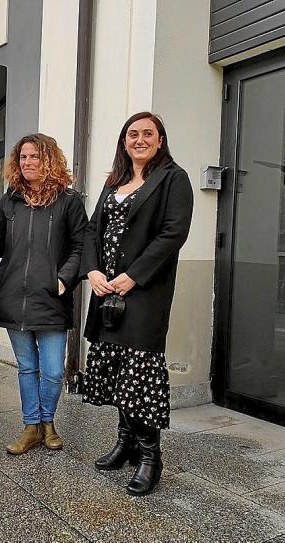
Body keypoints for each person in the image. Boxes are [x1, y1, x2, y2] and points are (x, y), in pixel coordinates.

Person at [81, 112, 193, 495]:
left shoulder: (173, 179)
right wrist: (92, 270)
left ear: (160, 141)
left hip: (143, 293)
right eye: (133, 134)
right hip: (106, 292)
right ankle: (125, 442)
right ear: (124, 141)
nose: (140, 139)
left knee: (140, 371)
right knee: (115, 369)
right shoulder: (115, 181)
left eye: (148, 134)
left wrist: (134, 276)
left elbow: (173, 233)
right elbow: (93, 228)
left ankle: (150, 456)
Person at [0, 133, 88, 455]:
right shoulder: (9, 199)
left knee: (54, 370)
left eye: (35, 157)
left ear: (49, 161)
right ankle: (33, 427)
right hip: (14, 295)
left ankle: (48, 421)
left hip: (50, 297)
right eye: (23, 157)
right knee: (27, 367)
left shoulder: (69, 201)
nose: (27, 163)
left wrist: (64, 279)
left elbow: (81, 246)